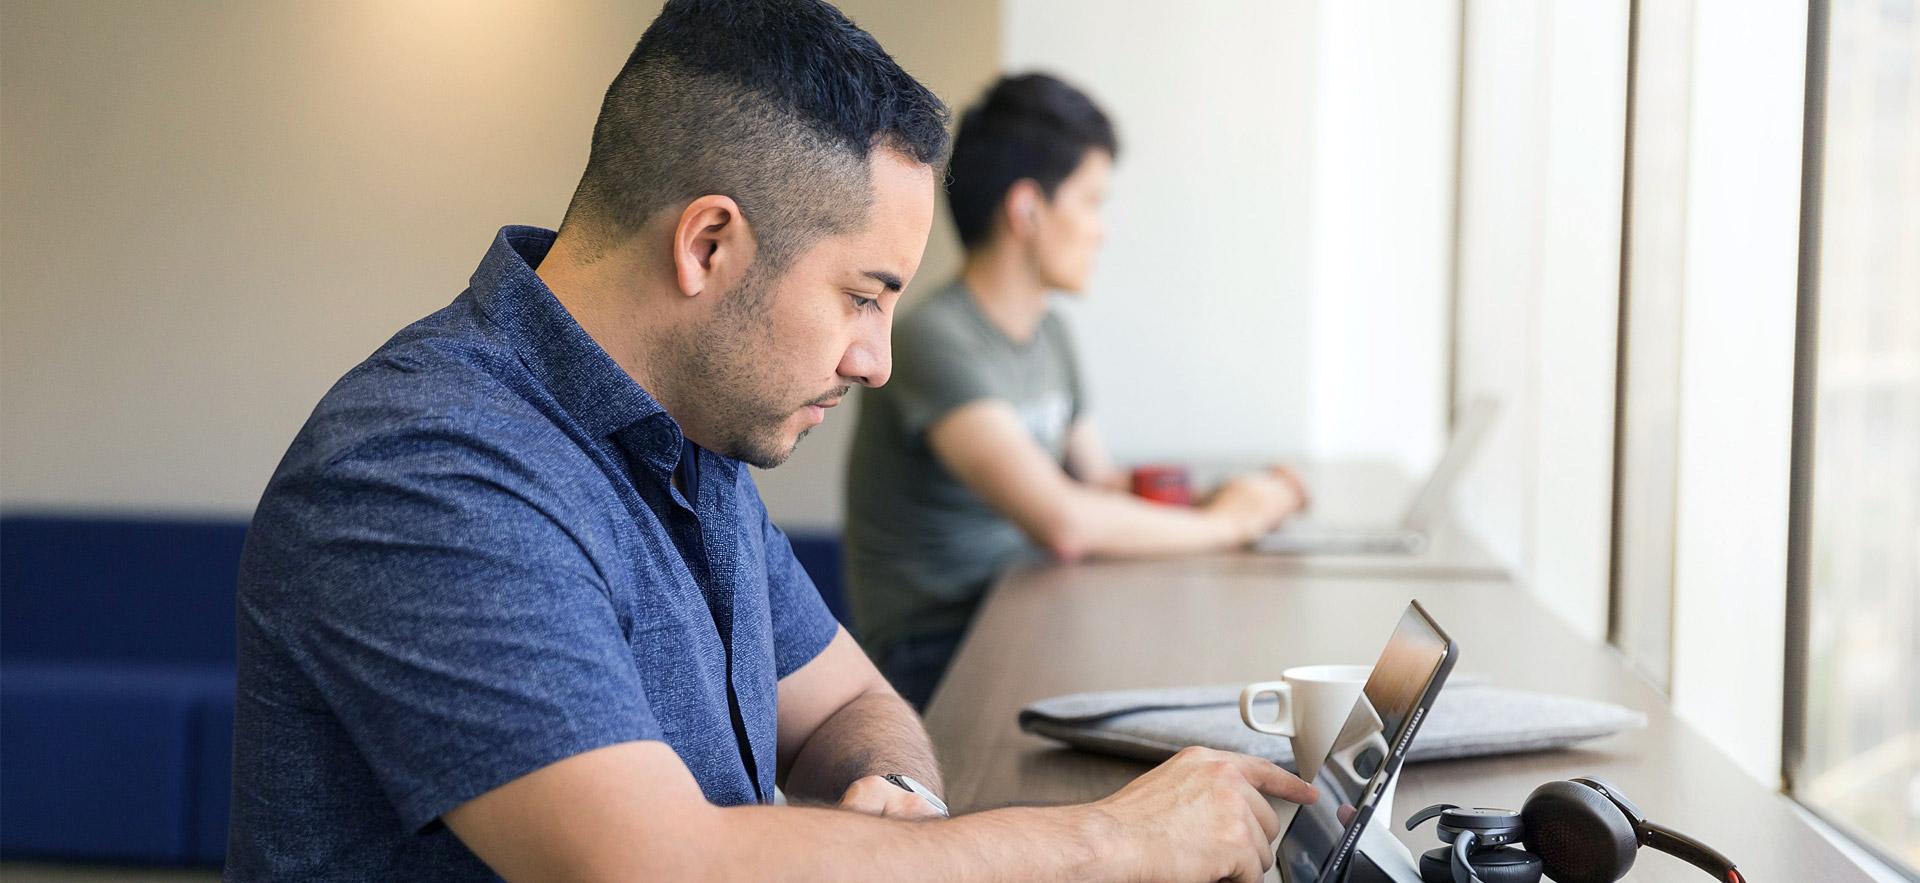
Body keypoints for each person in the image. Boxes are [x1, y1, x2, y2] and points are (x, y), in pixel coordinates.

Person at [227, 2, 1315, 880]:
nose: (876, 360)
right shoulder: (422, 468)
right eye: (862, 296)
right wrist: (1112, 842)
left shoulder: (692, 433)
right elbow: (657, 864)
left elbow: (847, 701)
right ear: (710, 244)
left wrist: (905, 808)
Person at [844, 73, 1309, 707]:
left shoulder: (1051, 335)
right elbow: (1064, 521)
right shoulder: (934, 339)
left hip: (1028, 608)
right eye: (1092, 202)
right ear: (1028, 210)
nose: (1102, 229)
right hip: (942, 650)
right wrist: (1228, 526)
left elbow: (1098, 486)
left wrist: (1223, 497)